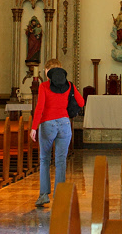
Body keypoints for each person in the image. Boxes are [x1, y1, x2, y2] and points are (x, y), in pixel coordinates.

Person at [29, 58, 84, 207]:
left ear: (48, 72)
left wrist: (34, 127)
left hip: (48, 124)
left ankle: (43, 195)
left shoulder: (44, 86)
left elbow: (39, 107)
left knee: (45, 159)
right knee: (60, 161)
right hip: (65, 124)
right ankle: (59, 196)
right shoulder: (69, 86)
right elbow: (81, 102)